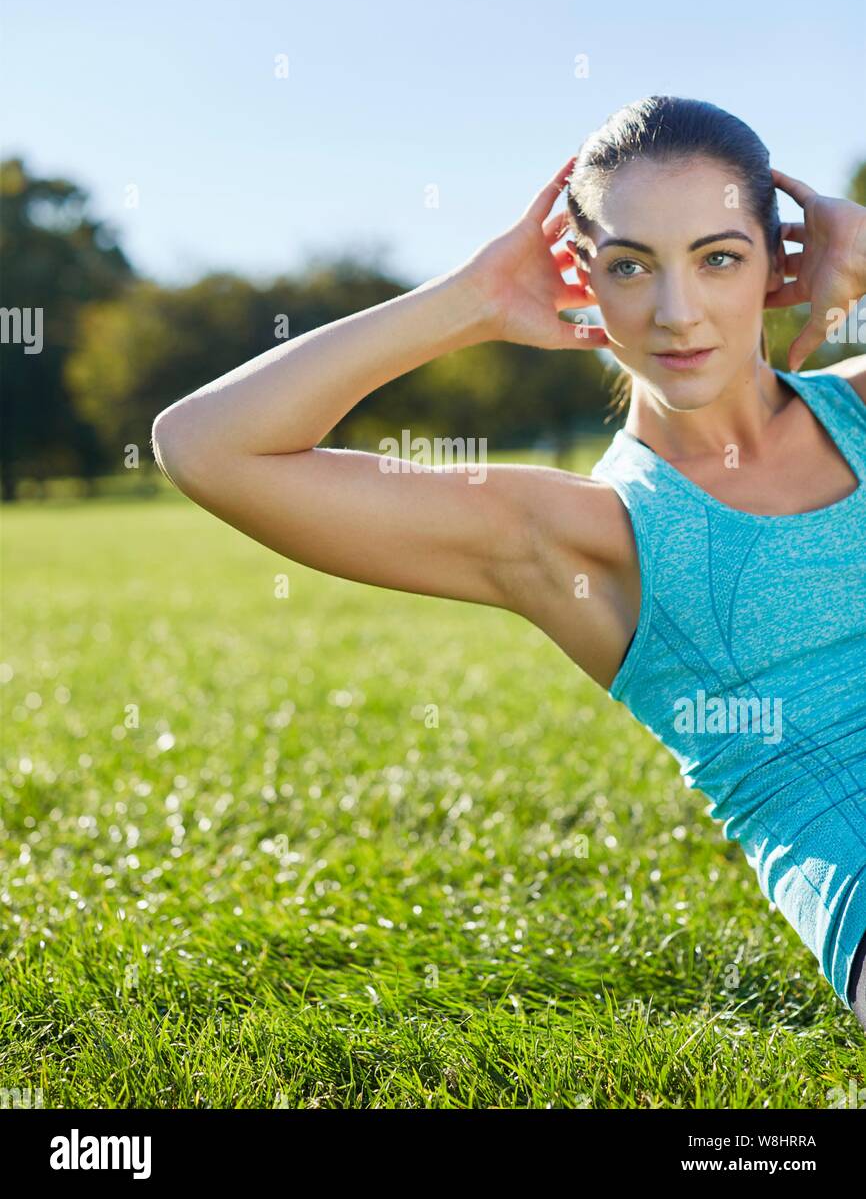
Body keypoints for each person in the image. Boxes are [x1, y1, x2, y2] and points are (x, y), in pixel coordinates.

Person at [151, 96, 866, 1030]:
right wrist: (470, 301)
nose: (675, 311)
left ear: (779, 265)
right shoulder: (579, 533)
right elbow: (206, 447)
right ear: (585, 278)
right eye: (630, 266)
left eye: (718, 257)